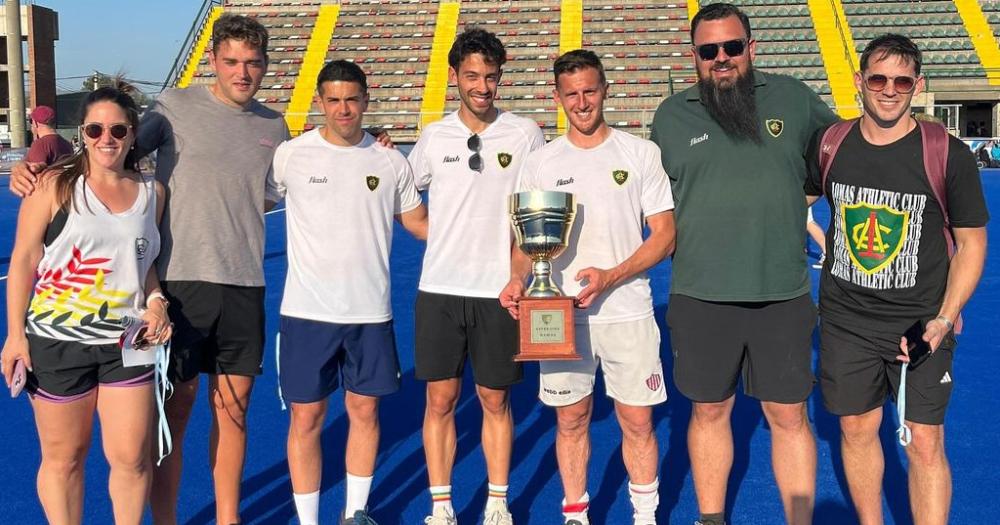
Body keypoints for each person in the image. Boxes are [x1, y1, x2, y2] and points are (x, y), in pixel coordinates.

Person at [648, 4, 840, 525]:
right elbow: (647, 201)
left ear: (751, 49)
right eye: (709, 51)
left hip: (782, 291)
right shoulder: (670, 116)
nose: (722, 59)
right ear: (695, 57)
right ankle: (712, 518)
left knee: (789, 414)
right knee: (709, 411)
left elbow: (842, 155)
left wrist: (797, 196)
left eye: (732, 47)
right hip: (701, 293)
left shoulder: (793, 99)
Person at [805, 34, 989, 525]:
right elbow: (788, 203)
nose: (889, 90)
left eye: (902, 80)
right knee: (857, 430)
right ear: (859, 81)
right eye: (879, 78)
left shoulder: (946, 152)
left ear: (918, 86)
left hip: (922, 322)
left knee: (925, 439)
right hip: (845, 322)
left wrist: (945, 319)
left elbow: (972, 244)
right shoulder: (830, 143)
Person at [501, 49, 675, 525]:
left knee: (638, 421)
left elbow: (664, 235)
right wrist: (518, 279)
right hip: (559, 314)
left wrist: (613, 276)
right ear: (557, 98)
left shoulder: (640, 154)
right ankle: (575, 513)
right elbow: (524, 241)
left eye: (590, 91)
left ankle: (645, 515)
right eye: (571, 94)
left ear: (605, 91)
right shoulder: (540, 162)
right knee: (570, 419)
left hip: (627, 311)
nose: (582, 102)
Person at [1, 84, 171, 524]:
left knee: (133, 458)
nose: (106, 139)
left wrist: (156, 302)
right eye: (95, 129)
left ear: (133, 134)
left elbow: (143, 264)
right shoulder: (54, 186)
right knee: (64, 459)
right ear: (82, 133)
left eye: (117, 129)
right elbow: (22, 260)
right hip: (57, 342)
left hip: (130, 341)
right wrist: (15, 336)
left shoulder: (153, 194)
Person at [268, 59, 428, 525]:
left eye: (352, 100)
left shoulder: (389, 159)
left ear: (365, 101)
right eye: (333, 100)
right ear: (320, 101)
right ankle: (309, 519)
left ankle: (356, 512)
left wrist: (484, 243)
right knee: (306, 419)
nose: (343, 109)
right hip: (306, 312)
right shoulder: (291, 155)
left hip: (370, 312)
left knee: (364, 411)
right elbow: (253, 202)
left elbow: (419, 224)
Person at [407, 27, 545, 525]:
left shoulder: (526, 133)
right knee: (440, 399)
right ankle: (441, 506)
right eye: (472, 75)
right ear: (453, 77)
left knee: (495, 397)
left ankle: (497, 502)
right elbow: (407, 200)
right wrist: (440, 236)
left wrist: (518, 269)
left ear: (500, 77)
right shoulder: (432, 136)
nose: (482, 86)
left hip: (499, 293)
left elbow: (535, 210)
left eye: (490, 76)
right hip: (440, 290)